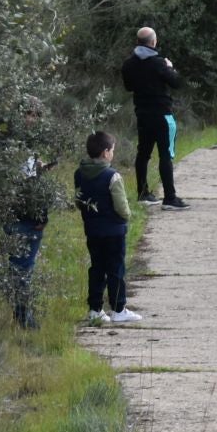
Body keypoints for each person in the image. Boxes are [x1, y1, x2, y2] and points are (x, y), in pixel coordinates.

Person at [75, 130, 140, 325]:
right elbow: (121, 206)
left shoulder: (79, 173)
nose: (113, 153)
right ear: (105, 152)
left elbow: (78, 200)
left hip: (92, 229)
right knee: (116, 268)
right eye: (112, 150)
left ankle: (95, 309)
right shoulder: (112, 176)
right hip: (114, 231)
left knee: (97, 267)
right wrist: (126, 217)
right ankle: (118, 309)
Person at [3, 98, 56, 329]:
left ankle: (22, 316)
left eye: (36, 115)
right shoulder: (15, 147)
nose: (32, 119)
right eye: (28, 114)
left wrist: (40, 169)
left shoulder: (19, 145)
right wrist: (40, 217)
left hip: (22, 216)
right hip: (24, 218)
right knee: (22, 269)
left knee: (23, 268)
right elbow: (27, 188)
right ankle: (24, 319)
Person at [122, 26, 187, 209]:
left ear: (138, 42)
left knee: (143, 154)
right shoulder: (159, 63)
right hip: (162, 115)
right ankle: (170, 198)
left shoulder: (128, 64)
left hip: (142, 114)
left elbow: (128, 87)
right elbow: (176, 83)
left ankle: (143, 194)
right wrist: (170, 68)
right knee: (165, 155)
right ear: (153, 41)